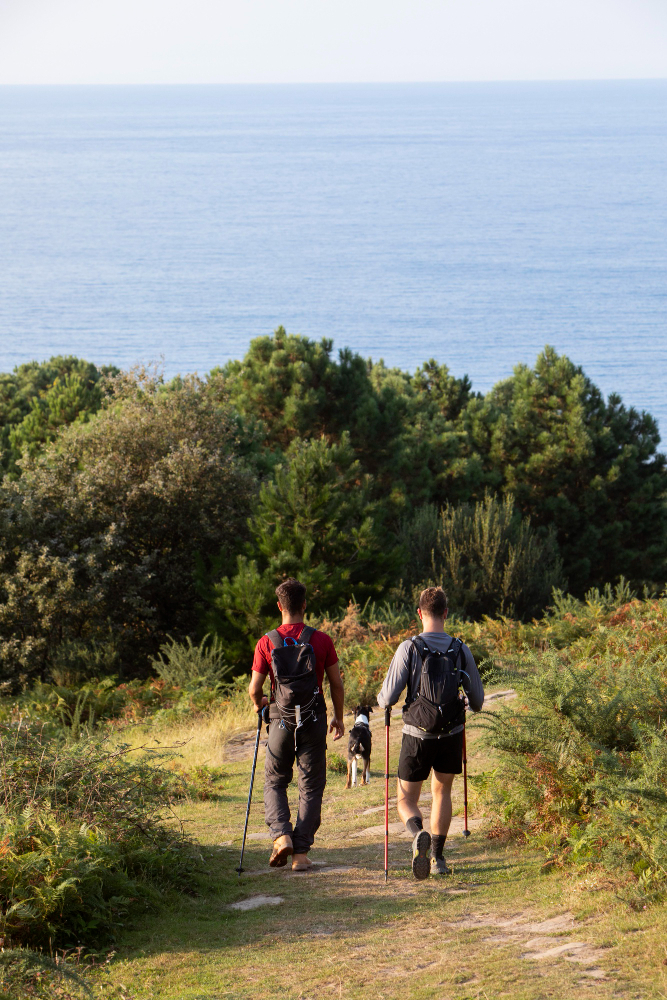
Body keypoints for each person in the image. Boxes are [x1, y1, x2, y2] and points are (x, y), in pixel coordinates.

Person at [377, 586, 484, 879]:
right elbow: (478, 701)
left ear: (419, 614)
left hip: (417, 735)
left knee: (405, 800)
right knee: (442, 792)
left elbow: (387, 699)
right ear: (446, 614)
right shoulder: (460, 649)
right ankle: (437, 858)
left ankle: (417, 833)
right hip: (450, 733)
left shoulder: (408, 648)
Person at [249, 578, 345, 872]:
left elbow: (255, 688)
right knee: (311, 785)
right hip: (314, 719)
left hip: (280, 720)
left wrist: (260, 704)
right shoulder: (321, 640)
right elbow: (336, 684)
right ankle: (301, 855)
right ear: (304, 605)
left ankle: (281, 835)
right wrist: (338, 717)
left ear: (279, 606)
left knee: (276, 781)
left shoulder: (267, 641)